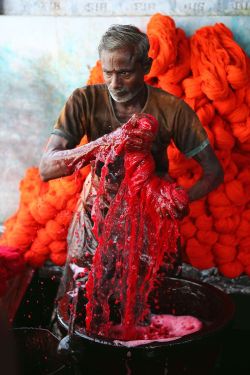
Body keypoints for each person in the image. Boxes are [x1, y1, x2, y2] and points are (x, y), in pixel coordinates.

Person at [39, 24, 223, 281]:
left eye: (124, 73)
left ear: (145, 67)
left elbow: (214, 172)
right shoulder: (84, 100)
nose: (115, 83)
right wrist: (104, 144)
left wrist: (179, 198)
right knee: (86, 289)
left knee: (148, 291)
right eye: (108, 72)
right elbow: (46, 168)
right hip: (97, 213)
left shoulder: (172, 109)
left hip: (149, 214)